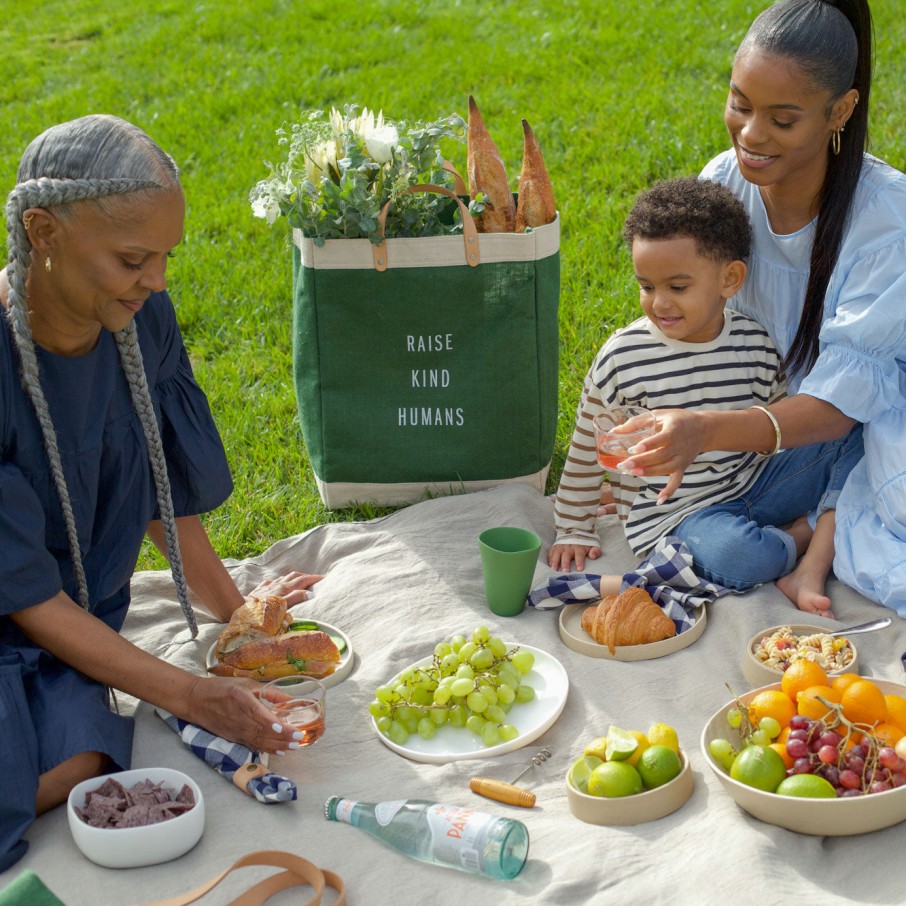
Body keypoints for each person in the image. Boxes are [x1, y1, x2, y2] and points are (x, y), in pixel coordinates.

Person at [0, 115, 321, 871]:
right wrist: (186, 693)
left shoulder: (140, 320)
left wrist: (236, 614)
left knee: (83, 762)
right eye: (134, 258)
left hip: (70, 626)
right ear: (42, 231)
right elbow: (25, 594)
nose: (159, 280)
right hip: (25, 609)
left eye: (165, 257)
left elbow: (161, 491)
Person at [618, 0, 906, 615]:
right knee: (698, 534)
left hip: (839, 435)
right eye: (740, 104)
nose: (751, 134)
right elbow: (684, 320)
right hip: (746, 440)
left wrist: (705, 431)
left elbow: (838, 410)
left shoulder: (886, 219)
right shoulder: (724, 183)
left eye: (782, 119)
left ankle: (813, 538)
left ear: (842, 110)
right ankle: (800, 532)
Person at [548, 177, 862, 605]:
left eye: (677, 287)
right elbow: (588, 444)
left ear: (729, 279)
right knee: (737, 557)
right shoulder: (623, 357)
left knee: (854, 428)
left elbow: (777, 425)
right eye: (646, 286)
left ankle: (790, 530)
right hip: (679, 514)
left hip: (756, 484)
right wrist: (573, 527)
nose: (659, 303)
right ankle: (800, 535)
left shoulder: (754, 342)